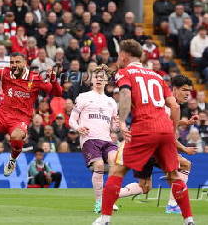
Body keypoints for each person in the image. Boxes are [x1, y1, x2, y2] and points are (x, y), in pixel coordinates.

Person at [93, 39, 194, 225]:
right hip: (164, 129)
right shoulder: (157, 76)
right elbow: (173, 105)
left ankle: (104, 219)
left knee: (117, 170)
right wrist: (171, 130)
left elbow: (125, 95)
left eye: (119, 55)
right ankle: (188, 220)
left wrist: (122, 121)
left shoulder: (125, 73)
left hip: (143, 128)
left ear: (124, 55)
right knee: (174, 175)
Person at [118, 75, 198, 214]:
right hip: (148, 146)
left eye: (189, 91)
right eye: (184, 90)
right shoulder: (168, 106)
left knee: (145, 187)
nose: (187, 94)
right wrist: (184, 149)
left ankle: (111, 194)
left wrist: (185, 123)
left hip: (142, 146)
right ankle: (173, 205)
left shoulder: (162, 103)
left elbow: (167, 124)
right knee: (185, 164)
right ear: (174, 89)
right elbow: (165, 135)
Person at [69, 64, 119, 213]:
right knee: (98, 166)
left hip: (107, 140)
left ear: (106, 81)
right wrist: (78, 128)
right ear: (92, 79)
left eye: (102, 77)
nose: (99, 79)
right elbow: (71, 120)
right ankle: (99, 202)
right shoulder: (84, 97)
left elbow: (113, 128)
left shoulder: (111, 102)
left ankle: (109, 199)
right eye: (96, 77)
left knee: (115, 163)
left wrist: (116, 126)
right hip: (90, 139)